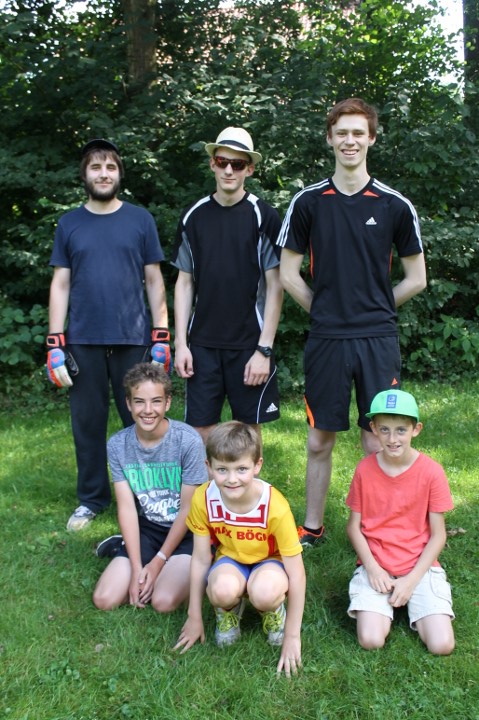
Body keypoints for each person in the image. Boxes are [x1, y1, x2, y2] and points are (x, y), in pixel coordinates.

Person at [277, 98, 427, 546]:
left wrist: (377, 308)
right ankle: (313, 527)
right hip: (327, 338)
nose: (350, 140)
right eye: (341, 132)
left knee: (377, 439)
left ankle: (381, 532)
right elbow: (288, 274)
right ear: (329, 138)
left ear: (372, 139)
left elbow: (416, 278)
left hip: (377, 339)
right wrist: (324, 311)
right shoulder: (308, 202)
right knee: (319, 439)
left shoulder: (394, 204)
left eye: (358, 132)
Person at [46, 138, 171, 531]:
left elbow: (155, 279)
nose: (103, 174)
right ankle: (92, 499)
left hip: (133, 338)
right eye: (96, 167)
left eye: (110, 167)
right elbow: (60, 284)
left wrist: (162, 334)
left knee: (142, 418)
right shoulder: (69, 223)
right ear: (85, 175)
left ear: (119, 174)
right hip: (83, 339)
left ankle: (145, 495)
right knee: (87, 422)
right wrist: (54, 343)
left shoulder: (140, 220)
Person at [172, 127, 283, 447]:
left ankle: (246, 487)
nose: (229, 170)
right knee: (199, 434)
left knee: (248, 436)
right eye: (223, 162)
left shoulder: (264, 216)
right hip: (202, 345)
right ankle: (205, 486)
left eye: (238, 163)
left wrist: (264, 349)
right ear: (212, 164)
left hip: (250, 344)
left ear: (250, 169)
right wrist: (181, 344)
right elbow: (184, 282)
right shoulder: (193, 216)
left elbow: (276, 286)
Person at [174, 421, 306, 678]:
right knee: (221, 590)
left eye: (241, 469)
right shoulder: (203, 498)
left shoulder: (275, 506)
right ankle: (228, 609)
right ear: (208, 467)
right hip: (230, 561)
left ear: (257, 465)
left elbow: (297, 574)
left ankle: (273, 610)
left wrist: (293, 636)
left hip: (269, 563)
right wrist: (194, 616)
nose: (232, 479)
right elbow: (200, 559)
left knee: (264, 592)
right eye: (222, 469)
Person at [346, 389, 455, 655]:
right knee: (371, 640)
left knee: (442, 645)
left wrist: (411, 580)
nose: (392, 439)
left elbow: (438, 535)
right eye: (384, 430)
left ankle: (412, 597)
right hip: (377, 562)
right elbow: (354, 527)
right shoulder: (364, 469)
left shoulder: (432, 471)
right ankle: (381, 600)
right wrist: (372, 568)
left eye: (401, 430)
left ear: (416, 429)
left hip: (419, 565)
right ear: (373, 429)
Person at [92, 363, 208, 612]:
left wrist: (157, 562)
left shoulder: (188, 441)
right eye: (139, 402)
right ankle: (123, 546)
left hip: (187, 531)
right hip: (149, 528)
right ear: (128, 404)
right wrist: (137, 568)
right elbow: (127, 508)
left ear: (167, 403)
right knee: (104, 600)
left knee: (163, 602)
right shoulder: (118, 445)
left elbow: (188, 509)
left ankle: (199, 559)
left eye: (156, 401)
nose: (147, 410)